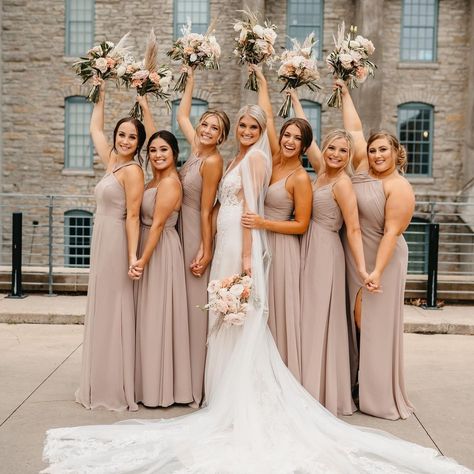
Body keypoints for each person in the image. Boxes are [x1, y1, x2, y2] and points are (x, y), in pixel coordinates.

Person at [43, 103, 470, 474]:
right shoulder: (232, 160)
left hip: (240, 243)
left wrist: (248, 258)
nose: (249, 133)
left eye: (252, 127)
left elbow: (252, 209)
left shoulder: (261, 164)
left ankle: (237, 392)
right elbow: (197, 180)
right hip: (226, 238)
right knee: (223, 317)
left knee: (238, 315)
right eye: (244, 127)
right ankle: (223, 388)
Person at [139, 69, 230, 406]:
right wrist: (190, 76)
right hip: (179, 227)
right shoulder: (194, 149)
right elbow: (179, 114)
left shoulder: (213, 162)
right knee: (180, 303)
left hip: (195, 230)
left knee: (194, 307)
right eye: (204, 124)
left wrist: (205, 249)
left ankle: (194, 384)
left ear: (221, 137)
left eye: (213, 128)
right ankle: (176, 373)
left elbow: (208, 209)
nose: (206, 130)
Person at [338, 80, 416, 420]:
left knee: (372, 322)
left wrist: (376, 272)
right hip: (355, 252)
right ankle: (355, 381)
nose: (376, 155)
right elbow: (354, 128)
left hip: (383, 257)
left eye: (383, 150)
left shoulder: (399, 187)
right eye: (373, 150)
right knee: (354, 320)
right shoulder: (361, 169)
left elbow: (392, 234)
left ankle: (374, 391)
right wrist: (344, 91)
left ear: (396, 153)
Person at [288, 90, 367, 416]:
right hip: (307, 247)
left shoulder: (343, 184)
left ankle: (320, 390)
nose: (334, 154)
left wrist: (362, 270)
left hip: (325, 253)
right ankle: (302, 382)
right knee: (305, 315)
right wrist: (294, 97)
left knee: (319, 317)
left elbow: (354, 229)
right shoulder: (321, 171)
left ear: (350, 156)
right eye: (332, 148)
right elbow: (308, 135)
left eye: (342, 150)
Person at [75, 78, 145, 412]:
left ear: (139, 143)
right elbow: (95, 130)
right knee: (101, 308)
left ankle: (114, 384)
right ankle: (98, 377)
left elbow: (133, 215)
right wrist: (100, 94)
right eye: (123, 135)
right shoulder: (112, 161)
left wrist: (132, 256)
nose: (126, 140)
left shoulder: (133, 171)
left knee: (115, 309)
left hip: (117, 242)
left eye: (133, 137)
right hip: (101, 239)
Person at [241, 67, 312, 380]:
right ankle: (258, 374)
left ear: (305, 146)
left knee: (278, 312)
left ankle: (283, 375)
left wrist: (263, 223)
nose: (290, 141)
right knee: (260, 311)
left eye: (298, 138)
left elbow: (301, 225)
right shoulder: (271, 157)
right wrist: (264, 81)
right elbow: (267, 115)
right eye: (288, 135)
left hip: (283, 249)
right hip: (261, 241)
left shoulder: (301, 179)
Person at [131, 130, 193, 408]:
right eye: (153, 150)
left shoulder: (169, 183)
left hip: (160, 250)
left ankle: (160, 389)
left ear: (175, 154)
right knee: (146, 316)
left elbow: (157, 224)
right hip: (148, 244)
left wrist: (142, 260)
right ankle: (146, 383)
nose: (157, 155)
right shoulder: (151, 181)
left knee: (157, 315)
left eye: (163, 150)